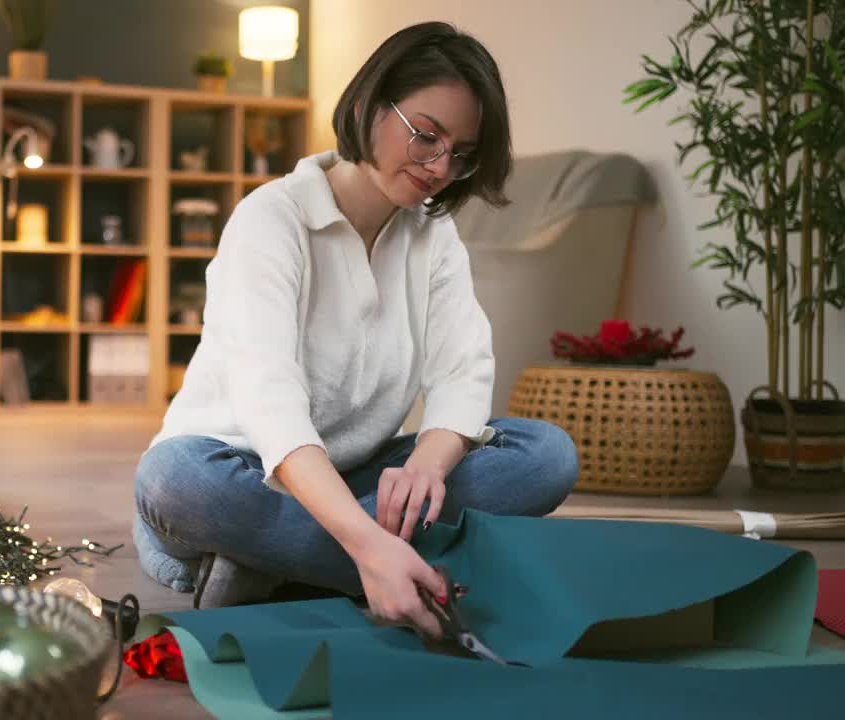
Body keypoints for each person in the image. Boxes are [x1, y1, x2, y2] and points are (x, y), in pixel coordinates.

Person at [133, 21, 578, 638]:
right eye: (427, 135)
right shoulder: (271, 219)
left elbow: (463, 369)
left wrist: (427, 461)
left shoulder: (433, 235)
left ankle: (280, 572)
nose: (440, 165)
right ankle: (389, 567)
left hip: (357, 477)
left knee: (545, 456)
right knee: (172, 478)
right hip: (241, 472)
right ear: (370, 104)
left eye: (461, 151)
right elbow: (269, 402)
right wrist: (370, 541)